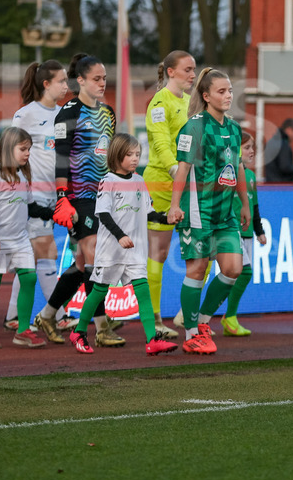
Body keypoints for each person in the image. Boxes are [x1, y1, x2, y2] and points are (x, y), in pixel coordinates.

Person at [33, 55, 123, 347]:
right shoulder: (68, 113)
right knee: (95, 257)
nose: (102, 83)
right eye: (96, 78)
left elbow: (109, 157)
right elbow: (61, 160)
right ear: (80, 80)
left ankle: (47, 315)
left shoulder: (108, 113)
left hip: (104, 196)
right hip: (77, 198)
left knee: (83, 265)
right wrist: (62, 198)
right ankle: (101, 327)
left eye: (105, 78)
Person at [69, 133, 178, 355]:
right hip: (111, 250)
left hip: (135, 250)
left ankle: (152, 340)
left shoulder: (139, 181)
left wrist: (167, 218)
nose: (135, 158)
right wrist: (119, 236)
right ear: (117, 155)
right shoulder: (107, 181)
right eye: (129, 154)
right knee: (99, 291)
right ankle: (79, 332)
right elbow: (104, 214)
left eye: (137, 154)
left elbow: (149, 213)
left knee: (143, 290)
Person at [166, 68, 250, 355]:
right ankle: (190, 334)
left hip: (226, 213)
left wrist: (245, 204)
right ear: (206, 96)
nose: (228, 96)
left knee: (233, 269)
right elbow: (183, 169)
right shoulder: (195, 126)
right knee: (198, 268)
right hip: (197, 210)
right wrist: (175, 205)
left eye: (229, 91)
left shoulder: (234, 128)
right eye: (221, 91)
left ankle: (201, 322)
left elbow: (238, 167)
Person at [3, 60, 70, 332]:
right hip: (33, 195)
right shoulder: (26, 114)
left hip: (56, 194)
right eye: (62, 81)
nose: (67, 86)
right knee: (46, 254)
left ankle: (12, 316)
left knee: (31, 256)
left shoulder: (65, 113)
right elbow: (10, 152)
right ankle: (58, 315)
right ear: (46, 84)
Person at [0, 127, 51, 349]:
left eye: (29, 149)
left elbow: (31, 207)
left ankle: (23, 330)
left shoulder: (24, 174)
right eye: (23, 149)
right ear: (7, 148)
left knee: (29, 278)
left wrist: (53, 214)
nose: (27, 153)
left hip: (20, 239)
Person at [143, 50, 196, 340]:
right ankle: (154, 319)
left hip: (187, 184)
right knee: (159, 253)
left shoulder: (190, 102)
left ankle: (185, 313)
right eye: (187, 70)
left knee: (203, 248)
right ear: (170, 72)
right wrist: (176, 169)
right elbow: (161, 143)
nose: (192, 75)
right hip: (163, 185)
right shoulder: (159, 102)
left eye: (194, 70)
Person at [214, 131, 266, 336]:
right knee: (243, 272)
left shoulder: (250, 176)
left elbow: (254, 206)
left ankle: (222, 318)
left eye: (253, 147)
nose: (251, 151)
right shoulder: (225, 172)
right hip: (229, 230)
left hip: (246, 233)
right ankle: (224, 317)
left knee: (238, 274)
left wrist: (259, 230)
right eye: (247, 147)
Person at [264, 118, 293, 182]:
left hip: (270, 184)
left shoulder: (271, 142)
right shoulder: (283, 144)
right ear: (289, 130)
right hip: (282, 186)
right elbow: (285, 167)